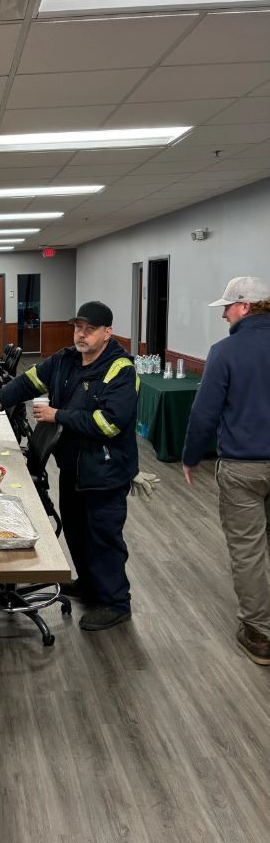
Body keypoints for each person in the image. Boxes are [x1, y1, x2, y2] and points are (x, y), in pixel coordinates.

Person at [0, 301, 140, 631]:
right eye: (78, 327)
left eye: (90, 329)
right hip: (74, 466)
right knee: (77, 532)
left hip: (105, 471)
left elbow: (110, 424)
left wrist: (58, 415)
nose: (81, 334)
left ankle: (116, 602)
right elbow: (28, 382)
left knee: (103, 537)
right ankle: (91, 585)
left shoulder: (121, 370)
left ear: (107, 333)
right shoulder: (65, 360)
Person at [182, 276, 270, 665]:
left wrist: (190, 456)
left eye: (227, 307)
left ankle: (260, 632)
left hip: (243, 468)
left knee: (248, 549)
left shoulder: (226, 351)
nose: (224, 315)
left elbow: (205, 412)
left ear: (246, 306)